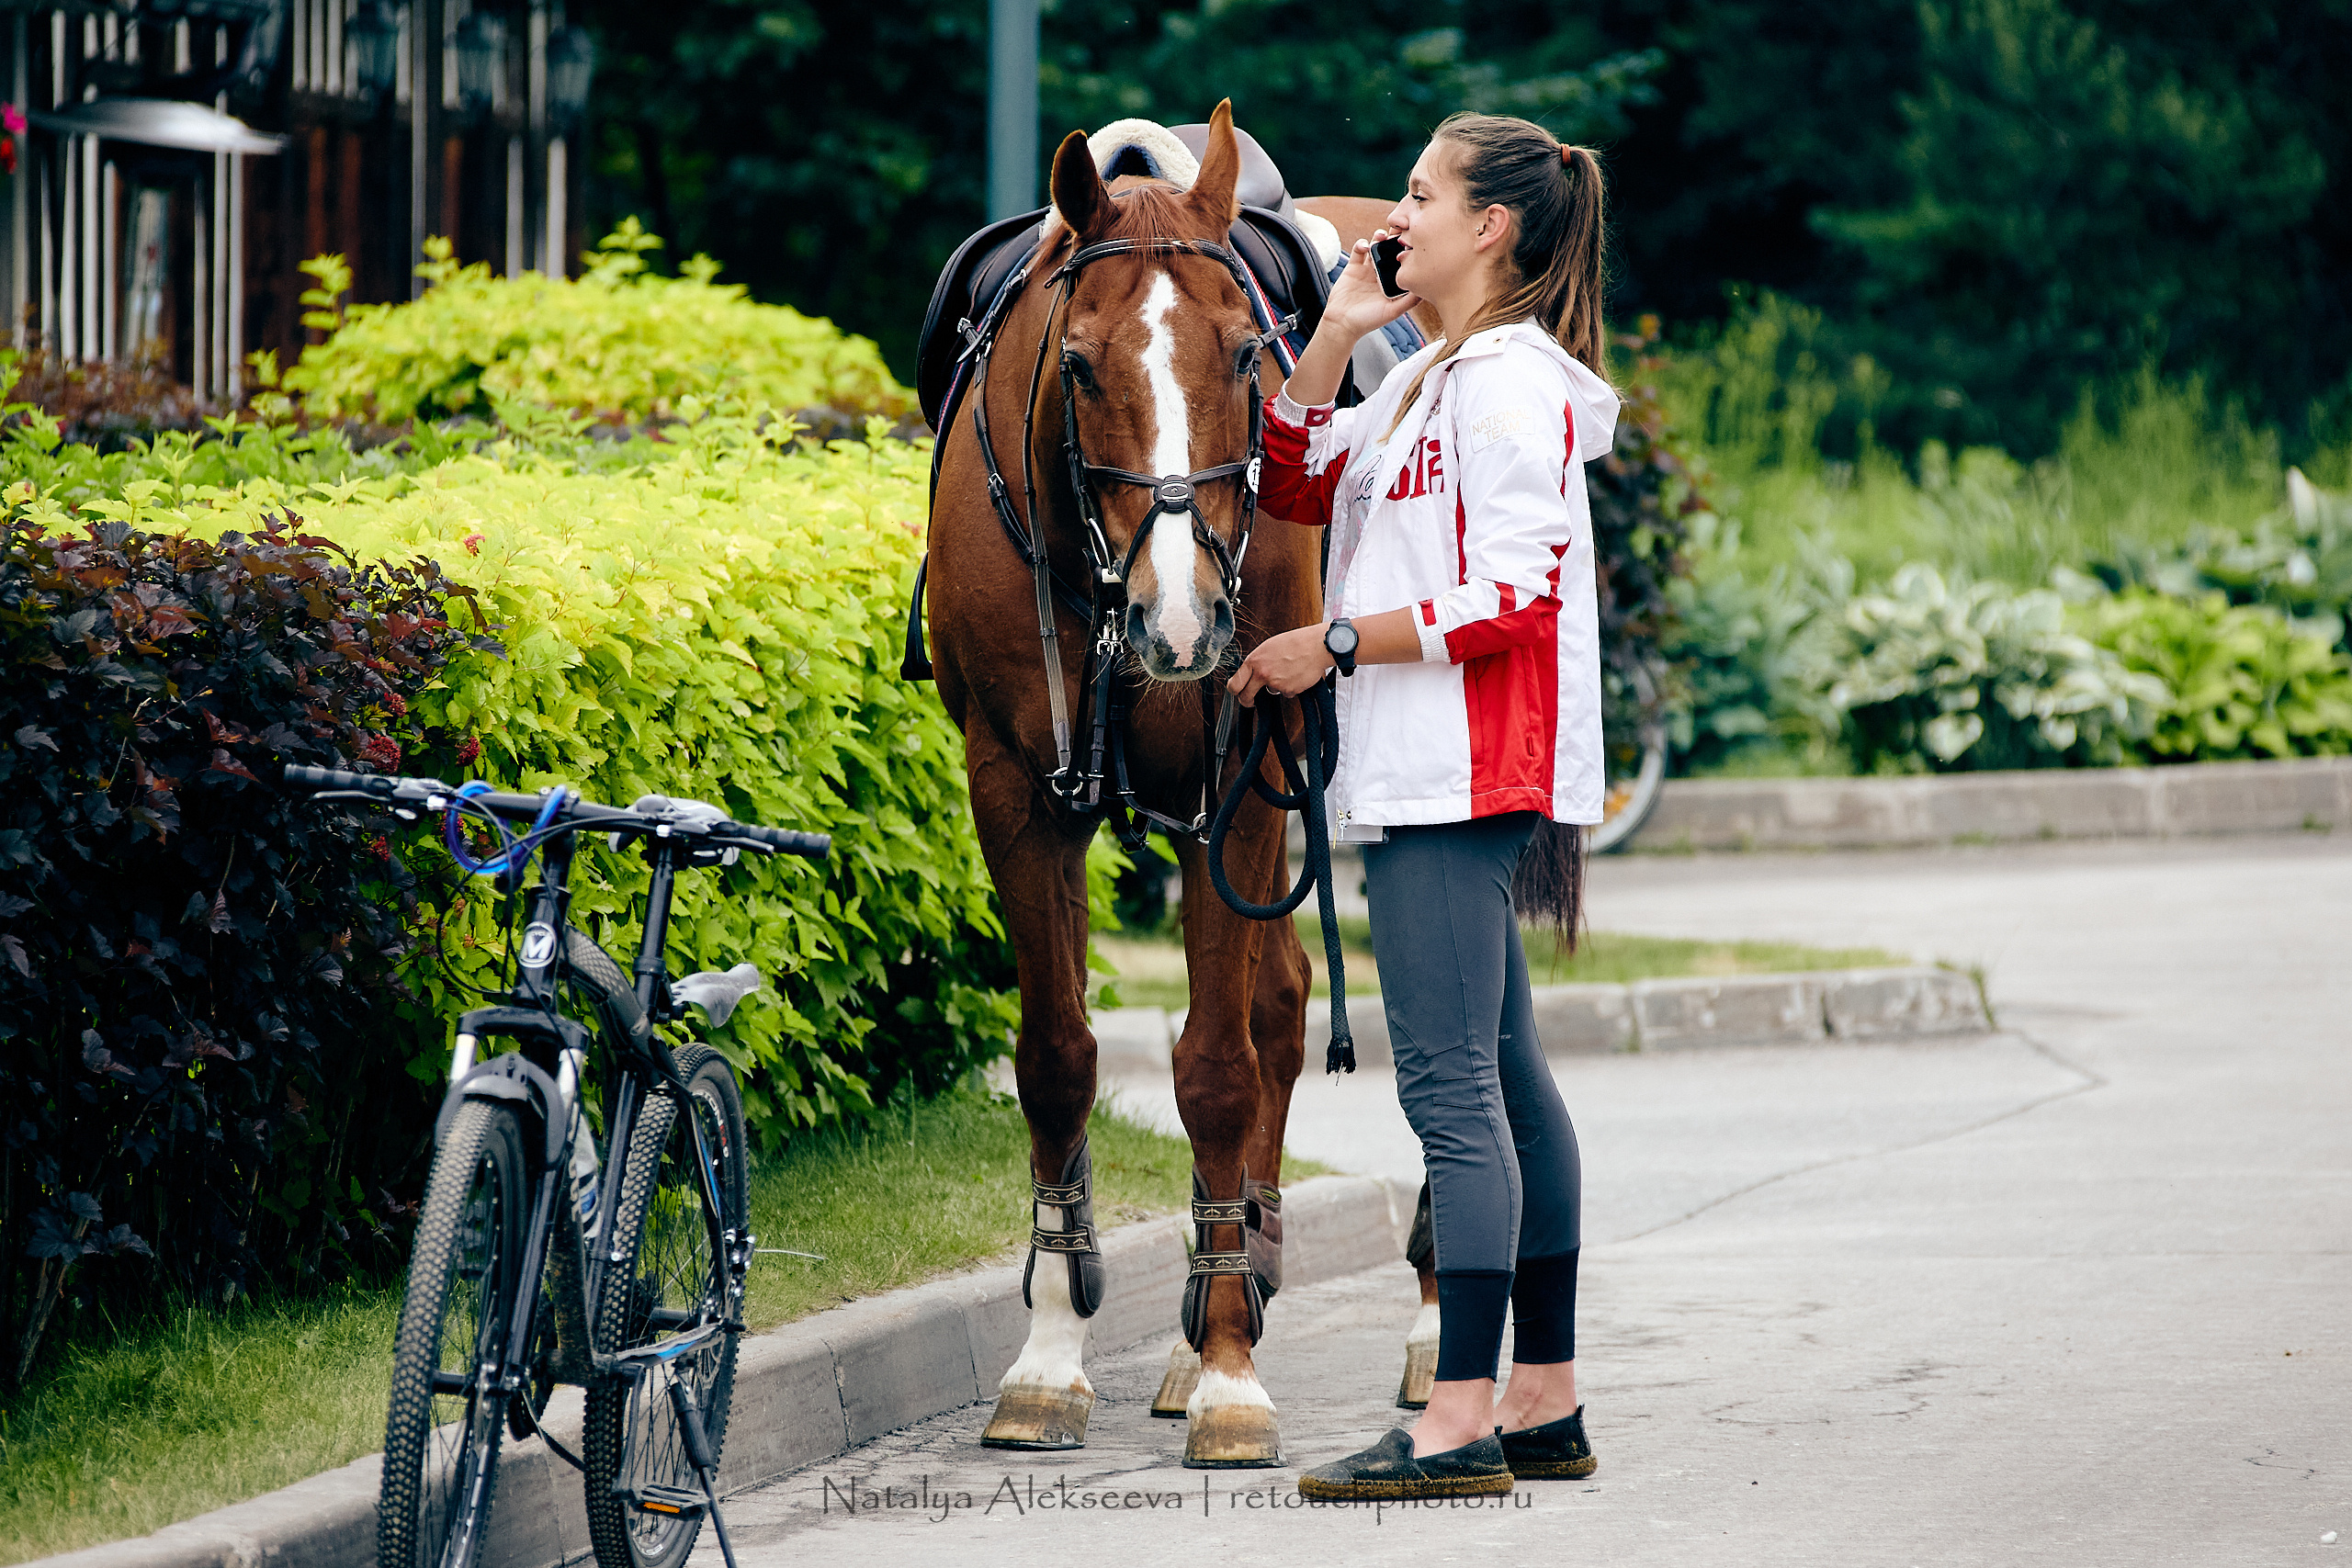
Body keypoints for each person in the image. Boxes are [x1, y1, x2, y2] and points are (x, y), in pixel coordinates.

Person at [1226, 111, 1620, 1501]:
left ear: (1490, 226)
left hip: (1466, 769)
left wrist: (1327, 645)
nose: (1393, 219)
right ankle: (1543, 1398)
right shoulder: (1421, 381)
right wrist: (1337, 332)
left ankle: (1456, 1421)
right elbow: (1289, 479)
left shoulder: (1507, 384)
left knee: (1452, 1092)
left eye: (1417, 195)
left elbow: (1515, 596)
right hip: (1434, 766)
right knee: (1506, 1079)